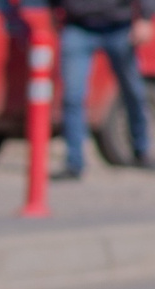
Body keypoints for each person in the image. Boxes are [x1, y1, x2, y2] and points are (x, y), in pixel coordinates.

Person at [57, 0, 152, 176]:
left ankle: (142, 150)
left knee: (133, 91)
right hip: (78, 26)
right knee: (72, 96)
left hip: (119, 27)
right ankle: (74, 161)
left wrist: (145, 18)